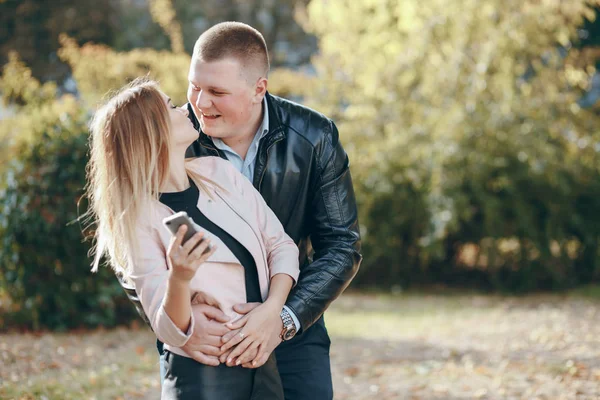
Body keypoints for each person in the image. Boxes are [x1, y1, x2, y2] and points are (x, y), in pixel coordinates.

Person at [85, 77, 300, 399]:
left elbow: (281, 246)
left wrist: (272, 309)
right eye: (170, 107)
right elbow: (167, 327)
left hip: (262, 359)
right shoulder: (136, 219)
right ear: (151, 131)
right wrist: (181, 277)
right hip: (204, 374)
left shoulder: (220, 172)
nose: (185, 109)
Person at [180, 21, 363, 399]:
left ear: (258, 89)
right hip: (204, 329)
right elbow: (128, 247)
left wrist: (281, 319)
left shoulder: (315, 137)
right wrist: (182, 316)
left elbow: (342, 245)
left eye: (216, 91)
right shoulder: (170, 137)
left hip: (295, 325)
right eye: (195, 86)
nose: (199, 102)